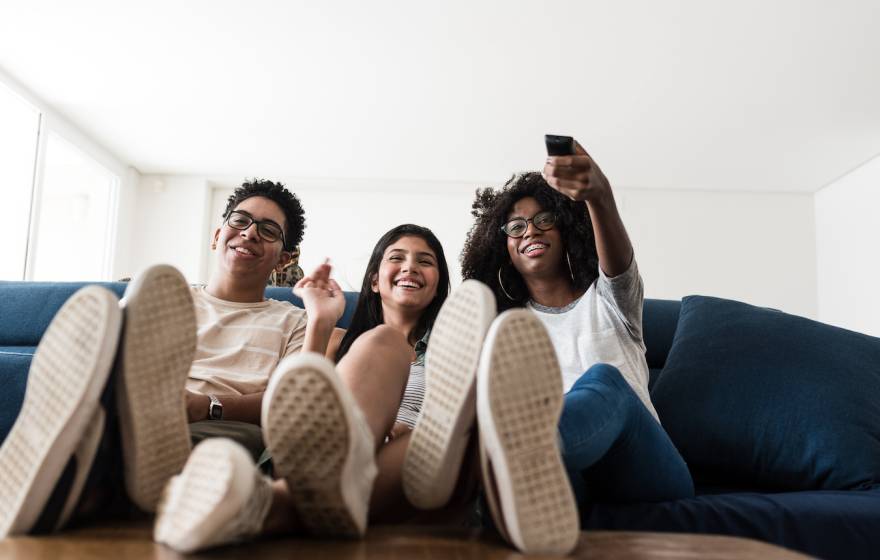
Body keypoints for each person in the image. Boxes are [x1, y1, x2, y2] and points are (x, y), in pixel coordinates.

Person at [0, 178, 355, 536]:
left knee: (217, 447)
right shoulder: (164, 297)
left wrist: (204, 405)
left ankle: (80, 485)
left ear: (286, 257)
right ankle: (85, 453)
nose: (248, 234)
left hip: (221, 423)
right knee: (106, 405)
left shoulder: (294, 320)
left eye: (267, 230)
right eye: (240, 221)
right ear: (218, 235)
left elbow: (289, 405)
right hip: (135, 405)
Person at [153, 224, 496, 552]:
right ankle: (346, 454)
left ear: (438, 285)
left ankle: (272, 506)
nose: (410, 267)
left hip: (410, 466)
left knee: (455, 437)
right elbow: (293, 401)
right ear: (374, 281)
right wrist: (319, 318)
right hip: (314, 458)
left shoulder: (453, 352)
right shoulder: (340, 340)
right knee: (383, 343)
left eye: (425, 261)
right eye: (397, 258)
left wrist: (409, 433)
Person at [460, 143, 695, 555]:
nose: (529, 231)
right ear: (505, 251)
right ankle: (512, 475)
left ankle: (516, 458)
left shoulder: (610, 300)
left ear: (566, 227)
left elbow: (618, 263)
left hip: (642, 465)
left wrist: (599, 197)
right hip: (567, 478)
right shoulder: (504, 331)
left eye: (543, 220)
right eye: (515, 227)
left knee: (603, 379)